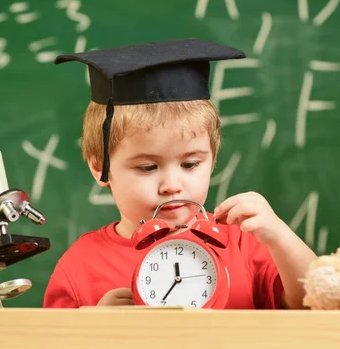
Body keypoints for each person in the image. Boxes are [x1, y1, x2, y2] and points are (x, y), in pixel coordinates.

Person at [43, 38, 317, 309]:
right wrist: (95, 332)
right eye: (148, 167)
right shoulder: (80, 265)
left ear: (212, 160)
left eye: (190, 164)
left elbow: (315, 304)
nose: (172, 185)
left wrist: (281, 237)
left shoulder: (244, 242)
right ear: (100, 167)